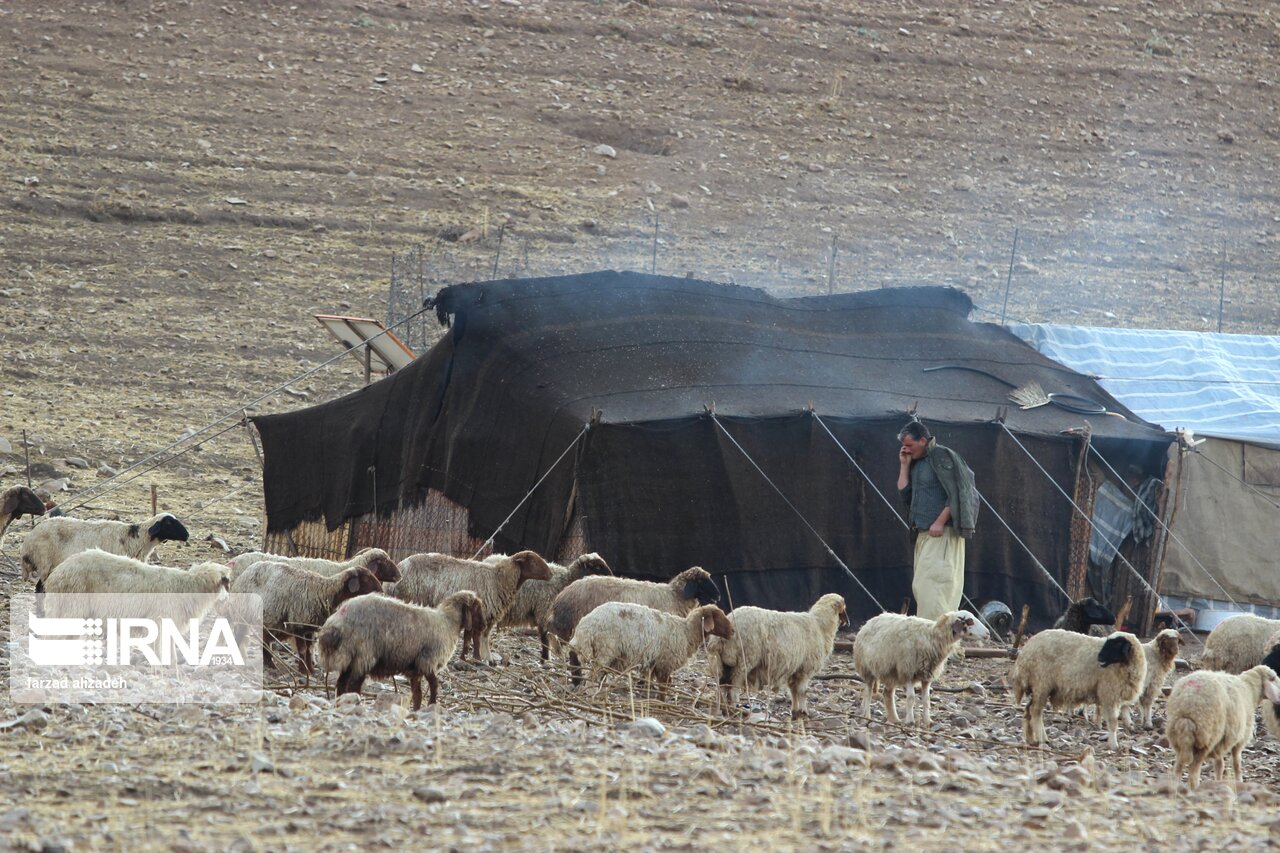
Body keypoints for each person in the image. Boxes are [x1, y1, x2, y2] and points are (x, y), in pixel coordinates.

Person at [896, 421, 978, 620]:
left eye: (909, 445)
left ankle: (937, 641)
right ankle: (935, 639)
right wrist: (905, 465)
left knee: (935, 588)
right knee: (923, 587)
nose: (905, 449)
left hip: (942, 534)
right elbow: (904, 494)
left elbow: (959, 491)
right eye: (903, 445)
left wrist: (940, 521)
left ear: (923, 440)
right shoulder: (917, 463)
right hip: (924, 534)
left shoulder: (942, 456)